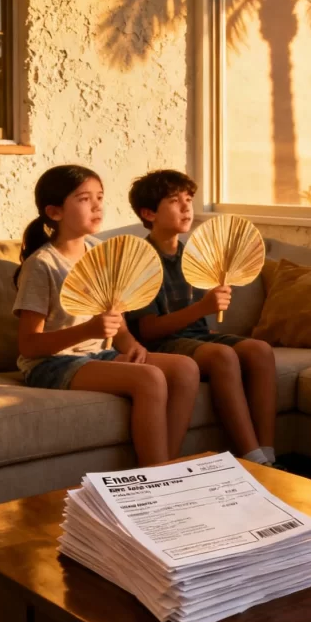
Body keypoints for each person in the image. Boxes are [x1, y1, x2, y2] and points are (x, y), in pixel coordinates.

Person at [13, 165, 200, 465]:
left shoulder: (101, 252)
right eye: (85, 199)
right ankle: (156, 474)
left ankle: (166, 465)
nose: (98, 205)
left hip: (98, 356)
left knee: (186, 369)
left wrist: (131, 345)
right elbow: (29, 345)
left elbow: (116, 320)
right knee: (150, 378)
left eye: (100, 196)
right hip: (51, 363)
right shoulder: (42, 265)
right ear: (55, 211)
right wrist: (88, 331)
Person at [126, 170, 280, 468]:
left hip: (196, 338)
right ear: (149, 213)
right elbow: (148, 329)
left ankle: (269, 453)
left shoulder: (192, 257)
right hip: (161, 344)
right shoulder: (141, 259)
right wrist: (202, 308)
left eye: (189, 199)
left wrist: (209, 306)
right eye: (174, 201)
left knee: (260, 350)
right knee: (222, 356)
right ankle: (254, 458)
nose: (186, 208)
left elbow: (201, 323)